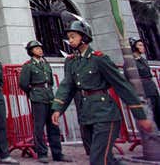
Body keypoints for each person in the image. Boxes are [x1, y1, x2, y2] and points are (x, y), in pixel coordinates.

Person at [51, 13, 153, 164]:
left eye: (73, 36)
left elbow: (122, 86)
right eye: (69, 37)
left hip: (105, 114)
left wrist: (140, 115)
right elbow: (67, 86)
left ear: (84, 37)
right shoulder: (72, 62)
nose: (70, 40)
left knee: (98, 159)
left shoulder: (99, 59)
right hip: (87, 114)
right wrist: (58, 108)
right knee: (105, 158)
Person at [18, 41, 69, 163]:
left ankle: (57, 153)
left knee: (54, 125)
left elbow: (50, 81)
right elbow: (23, 84)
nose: (40, 50)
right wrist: (33, 92)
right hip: (38, 97)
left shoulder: (45, 64)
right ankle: (42, 153)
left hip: (49, 96)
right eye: (36, 49)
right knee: (39, 127)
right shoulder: (28, 66)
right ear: (31, 51)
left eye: (40, 48)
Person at [130, 37, 160, 129]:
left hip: (152, 89)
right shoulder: (132, 62)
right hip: (144, 91)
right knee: (150, 114)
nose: (143, 47)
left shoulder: (143, 60)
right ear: (134, 47)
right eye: (140, 45)